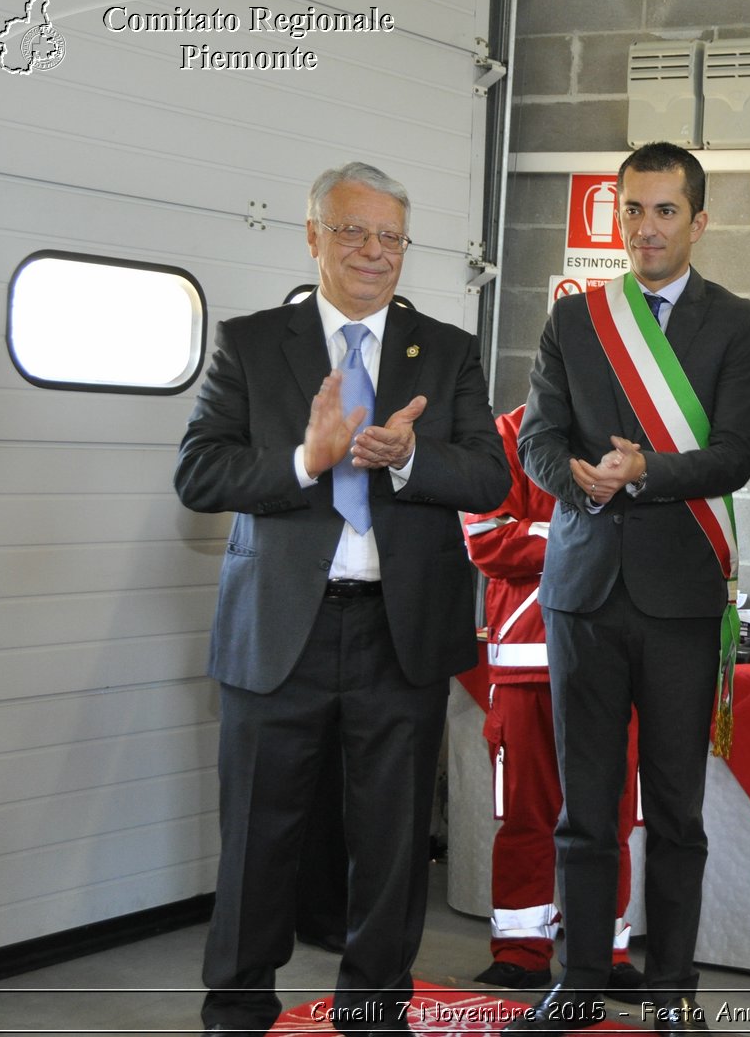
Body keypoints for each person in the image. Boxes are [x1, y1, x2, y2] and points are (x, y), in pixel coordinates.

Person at [175, 161, 510, 1037]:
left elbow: (488, 472)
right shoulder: (252, 343)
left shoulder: (445, 349)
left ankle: (375, 1011)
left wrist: (405, 457)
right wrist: (303, 461)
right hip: (278, 630)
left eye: (391, 236)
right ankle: (238, 1011)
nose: (373, 251)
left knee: (393, 842)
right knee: (257, 837)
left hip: (397, 636)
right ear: (313, 234)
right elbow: (199, 471)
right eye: (354, 231)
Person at [512, 142, 750, 1036]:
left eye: (666, 211)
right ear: (613, 215)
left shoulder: (740, 324)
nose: (646, 227)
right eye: (632, 210)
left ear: (699, 221)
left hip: (680, 597)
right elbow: (536, 436)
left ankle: (671, 991)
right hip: (582, 590)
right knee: (585, 809)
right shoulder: (575, 319)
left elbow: (737, 452)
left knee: (674, 811)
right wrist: (574, 476)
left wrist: (646, 469)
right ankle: (579, 979)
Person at [462, 404, 646, 1002]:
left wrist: (555, 531)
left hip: (618, 658)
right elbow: (487, 540)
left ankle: (604, 951)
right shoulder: (507, 434)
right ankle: (521, 952)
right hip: (527, 660)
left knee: (610, 819)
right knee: (527, 815)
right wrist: (591, 528)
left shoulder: (643, 430)